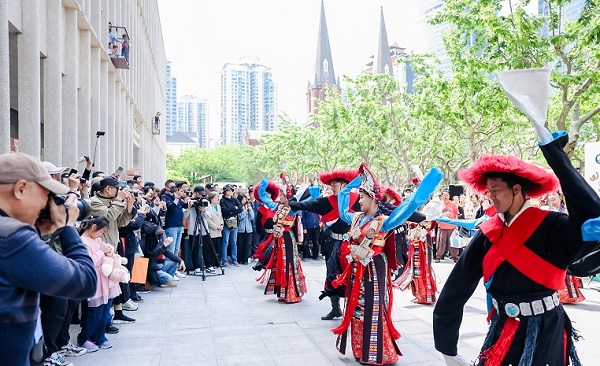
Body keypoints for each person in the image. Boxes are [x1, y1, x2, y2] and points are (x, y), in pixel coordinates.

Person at [432, 84, 600, 365]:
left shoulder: (553, 224)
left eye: (496, 189)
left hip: (546, 328)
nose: (491, 196)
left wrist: (555, 155)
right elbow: (456, 289)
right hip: (501, 329)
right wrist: (447, 348)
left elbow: (590, 216)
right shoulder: (487, 234)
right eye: (489, 190)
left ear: (518, 189)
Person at [334, 163, 442, 365]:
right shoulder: (356, 217)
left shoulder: (385, 221)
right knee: (356, 306)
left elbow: (408, 207)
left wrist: (425, 187)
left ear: (373, 199)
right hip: (357, 268)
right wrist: (358, 181)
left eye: (363, 197)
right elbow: (342, 208)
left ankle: (375, 353)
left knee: (372, 308)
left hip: (374, 268)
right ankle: (359, 350)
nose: (359, 202)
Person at [0, 152, 97, 366]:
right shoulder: (11, 237)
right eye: (47, 193)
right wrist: (66, 227)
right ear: (20, 189)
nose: (49, 203)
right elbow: (85, 282)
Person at [287, 169, 360, 320]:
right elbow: (307, 205)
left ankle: (354, 309)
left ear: (345, 185)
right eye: (331, 184)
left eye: (335, 184)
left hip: (354, 245)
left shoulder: (358, 199)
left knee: (354, 276)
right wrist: (290, 203)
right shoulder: (326, 201)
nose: (332, 187)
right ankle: (335, 309)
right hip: (333, 244)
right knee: (332, 276)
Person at [255, 178, 306, 303]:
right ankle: (282, 292)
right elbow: (264, 198)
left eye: (282, 195)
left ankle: (292, 293)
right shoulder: (278, 206)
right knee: (280, 264)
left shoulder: (293, 208)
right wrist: (263, 185)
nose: (280, 197)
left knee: (288, 264)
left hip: (288, 238)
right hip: (279, 239)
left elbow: (308, 202)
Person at [77, 216, 121, 352]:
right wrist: (103, 252)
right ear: (94, 227)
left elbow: (105, 251)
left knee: (103, 311)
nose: (102, 235)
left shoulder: (96, 239)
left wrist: (109, 250)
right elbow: (89, 262)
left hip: (105, 281)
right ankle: (84, 338)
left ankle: (99, 337)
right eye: (102, 231)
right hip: (95, 282)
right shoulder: (83, 242)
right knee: (93, 313)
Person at [220, 184, 243, 267]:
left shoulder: (235, 199)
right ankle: (224, 260)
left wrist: (232, 211)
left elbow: (240, 209)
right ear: (225, 192)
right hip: (226, 223)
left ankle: (234, 259)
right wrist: (234, 209)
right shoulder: (222, 200)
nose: (230, 192)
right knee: (225, 242)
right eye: (228, 190)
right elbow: (224, 211)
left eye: (231, 190)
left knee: (234, 242)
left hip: (235, 223)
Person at [236, 194, 255, 265]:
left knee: (248, 244)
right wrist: (245, 211)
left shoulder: (248, 206)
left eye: (245, 199)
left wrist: (250, 211)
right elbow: (240, 217)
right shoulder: (239, 208)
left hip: (248, 229)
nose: (244, 201)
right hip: (241, 229)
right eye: (243, 199)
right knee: (240, 244)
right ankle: (239, 258)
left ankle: (245, 259)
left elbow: (252, 217)